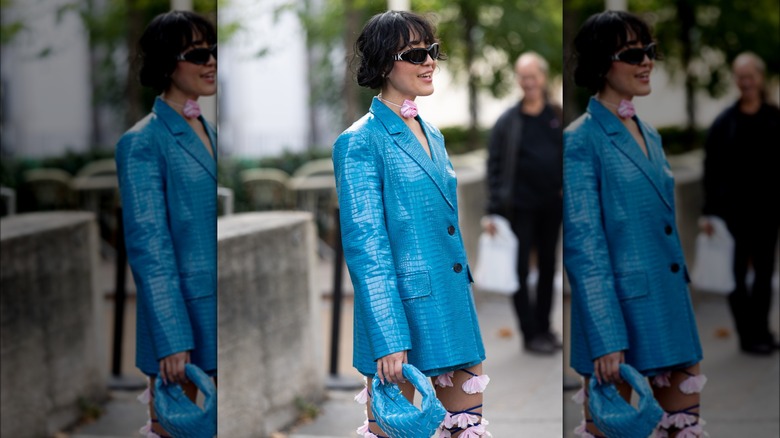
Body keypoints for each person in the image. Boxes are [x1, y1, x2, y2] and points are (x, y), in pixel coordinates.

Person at [332, 10, 490, 438]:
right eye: (416, 53)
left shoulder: (432, 132)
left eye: (432, 51)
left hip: (452, 307)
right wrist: (387, 335)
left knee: (468, 430)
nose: (429, 61)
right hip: (399, 322)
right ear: (385, 63)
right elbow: (367, 247)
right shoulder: (359, 141)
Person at [564, 10, 705, 437]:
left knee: (686, 430)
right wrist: (607, 337)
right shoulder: (580, 140)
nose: (646, 61)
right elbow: (585, 248)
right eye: (632, 53)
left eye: (649, 50)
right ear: (601, 63)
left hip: (671, 311)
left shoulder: (650, 132)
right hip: (618, 325)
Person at [115, 10, 217, 438]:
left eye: (213, 50)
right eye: (197, 53)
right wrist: (173, 337)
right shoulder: (142, 142)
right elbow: (149, 248)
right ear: (165, 63)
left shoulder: (209, 128)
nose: (211, 61)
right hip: (181, 327)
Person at [700, 51, 780, 356]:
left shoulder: (774, 118)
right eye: (740, 76)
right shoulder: (725, 122)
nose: (745, 82)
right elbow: (711, 168)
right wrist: (708, 212)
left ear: (759, 78)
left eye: (750, 76)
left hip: (768, 212)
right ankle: (748, 336)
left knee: (764, 273)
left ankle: (763, 330)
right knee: (734, 276)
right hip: (732, 214)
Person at [484, 51, 563, 355]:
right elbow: (494, 165)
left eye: (533, 76)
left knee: (547, 267)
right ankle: (530, 334)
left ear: (542, 78)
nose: (528, 82)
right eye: (523, 77)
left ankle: (545, 328)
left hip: (551, 207)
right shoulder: (508, 121)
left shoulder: (556, 114)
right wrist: (491, 211)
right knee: (518, 271)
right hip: (519, 208)